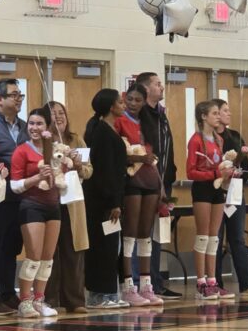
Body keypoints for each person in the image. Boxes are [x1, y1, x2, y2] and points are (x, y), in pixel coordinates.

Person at [8, 108, 61, 318]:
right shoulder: (22, 151)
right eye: (31, 123)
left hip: (53, 205)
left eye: (39, 123)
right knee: (34, 257)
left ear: (47, 127)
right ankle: (25, 301)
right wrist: (36, 178)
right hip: (31, 206)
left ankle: (40, 299)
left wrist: (72, 164)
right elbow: (14, 185)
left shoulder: (57, 149)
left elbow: (66, 177)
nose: (34, 128)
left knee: (48, 258)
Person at [114, 83, 163, 306]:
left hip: (150, 179)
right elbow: (117, 154)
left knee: (145, 233)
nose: (133, 104)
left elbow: (153, 155)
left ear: (144, 102)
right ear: (125, 98)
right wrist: (138, 159)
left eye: (138, 100)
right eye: (130, 99)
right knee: (130, 233)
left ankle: (146, 285)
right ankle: (128, 286)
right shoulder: (119, 121)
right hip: (131, 180)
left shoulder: (149, 122)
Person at [214, 98, 248, 299]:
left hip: (235, 193)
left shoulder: (235, 136)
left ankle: (247, 284)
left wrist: (238, 174)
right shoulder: (208, 138)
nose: (229, 113)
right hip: (216, 193)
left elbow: (245, 168)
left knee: (238, 238)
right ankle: (215, 283)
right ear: (215, 114)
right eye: (225, 110)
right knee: (215, 239)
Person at [0, 78, 28, 315]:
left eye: (20, 95)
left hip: (20, 194)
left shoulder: (23, 126)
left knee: (11, 247)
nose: (19, 99)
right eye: (14, 95)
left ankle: (8, 293)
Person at [135, 71, 181, 299]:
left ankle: (154, 281)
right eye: (157, 84)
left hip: (164, 181)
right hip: (147, 182)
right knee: (142, 232)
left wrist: (169, 176)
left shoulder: (161, 114)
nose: (161, 87)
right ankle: (139, 281)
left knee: (157, 234)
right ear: (145, 89)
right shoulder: (141, 115)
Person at [44, 100, 92, 314]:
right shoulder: (43, 141)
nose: (59, 116)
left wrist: (79, 164)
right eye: (53, 113)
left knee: (74, 250)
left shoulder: (76, 139)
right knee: (50, 250)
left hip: (72, 200)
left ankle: (75, 300)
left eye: (61, 112)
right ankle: (50, 299)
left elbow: (89, 171)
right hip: (50, 199)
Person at [83, 89, 127, 309]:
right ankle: (98, 295)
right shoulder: (101, 132)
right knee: (103, 247)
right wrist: (114, 202)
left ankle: (108, 292)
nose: (124, 104)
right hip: (103, 202)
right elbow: (104, 171)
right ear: (111, 106)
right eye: (120, 102)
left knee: (111, 248)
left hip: (110, 198)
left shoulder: (109, 129)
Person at [187, 101, 233, 301]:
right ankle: (200, 282)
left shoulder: (218, 139)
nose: (218, 116)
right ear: (203, 116)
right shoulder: (195, 140)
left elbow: (219, 164)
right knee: (203, 236)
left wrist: (228, 171)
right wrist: (215, 172)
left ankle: (213, 281)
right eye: (214, 113)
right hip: (203, 189)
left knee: (215, 237)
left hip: (218, 188)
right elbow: (190, 171)